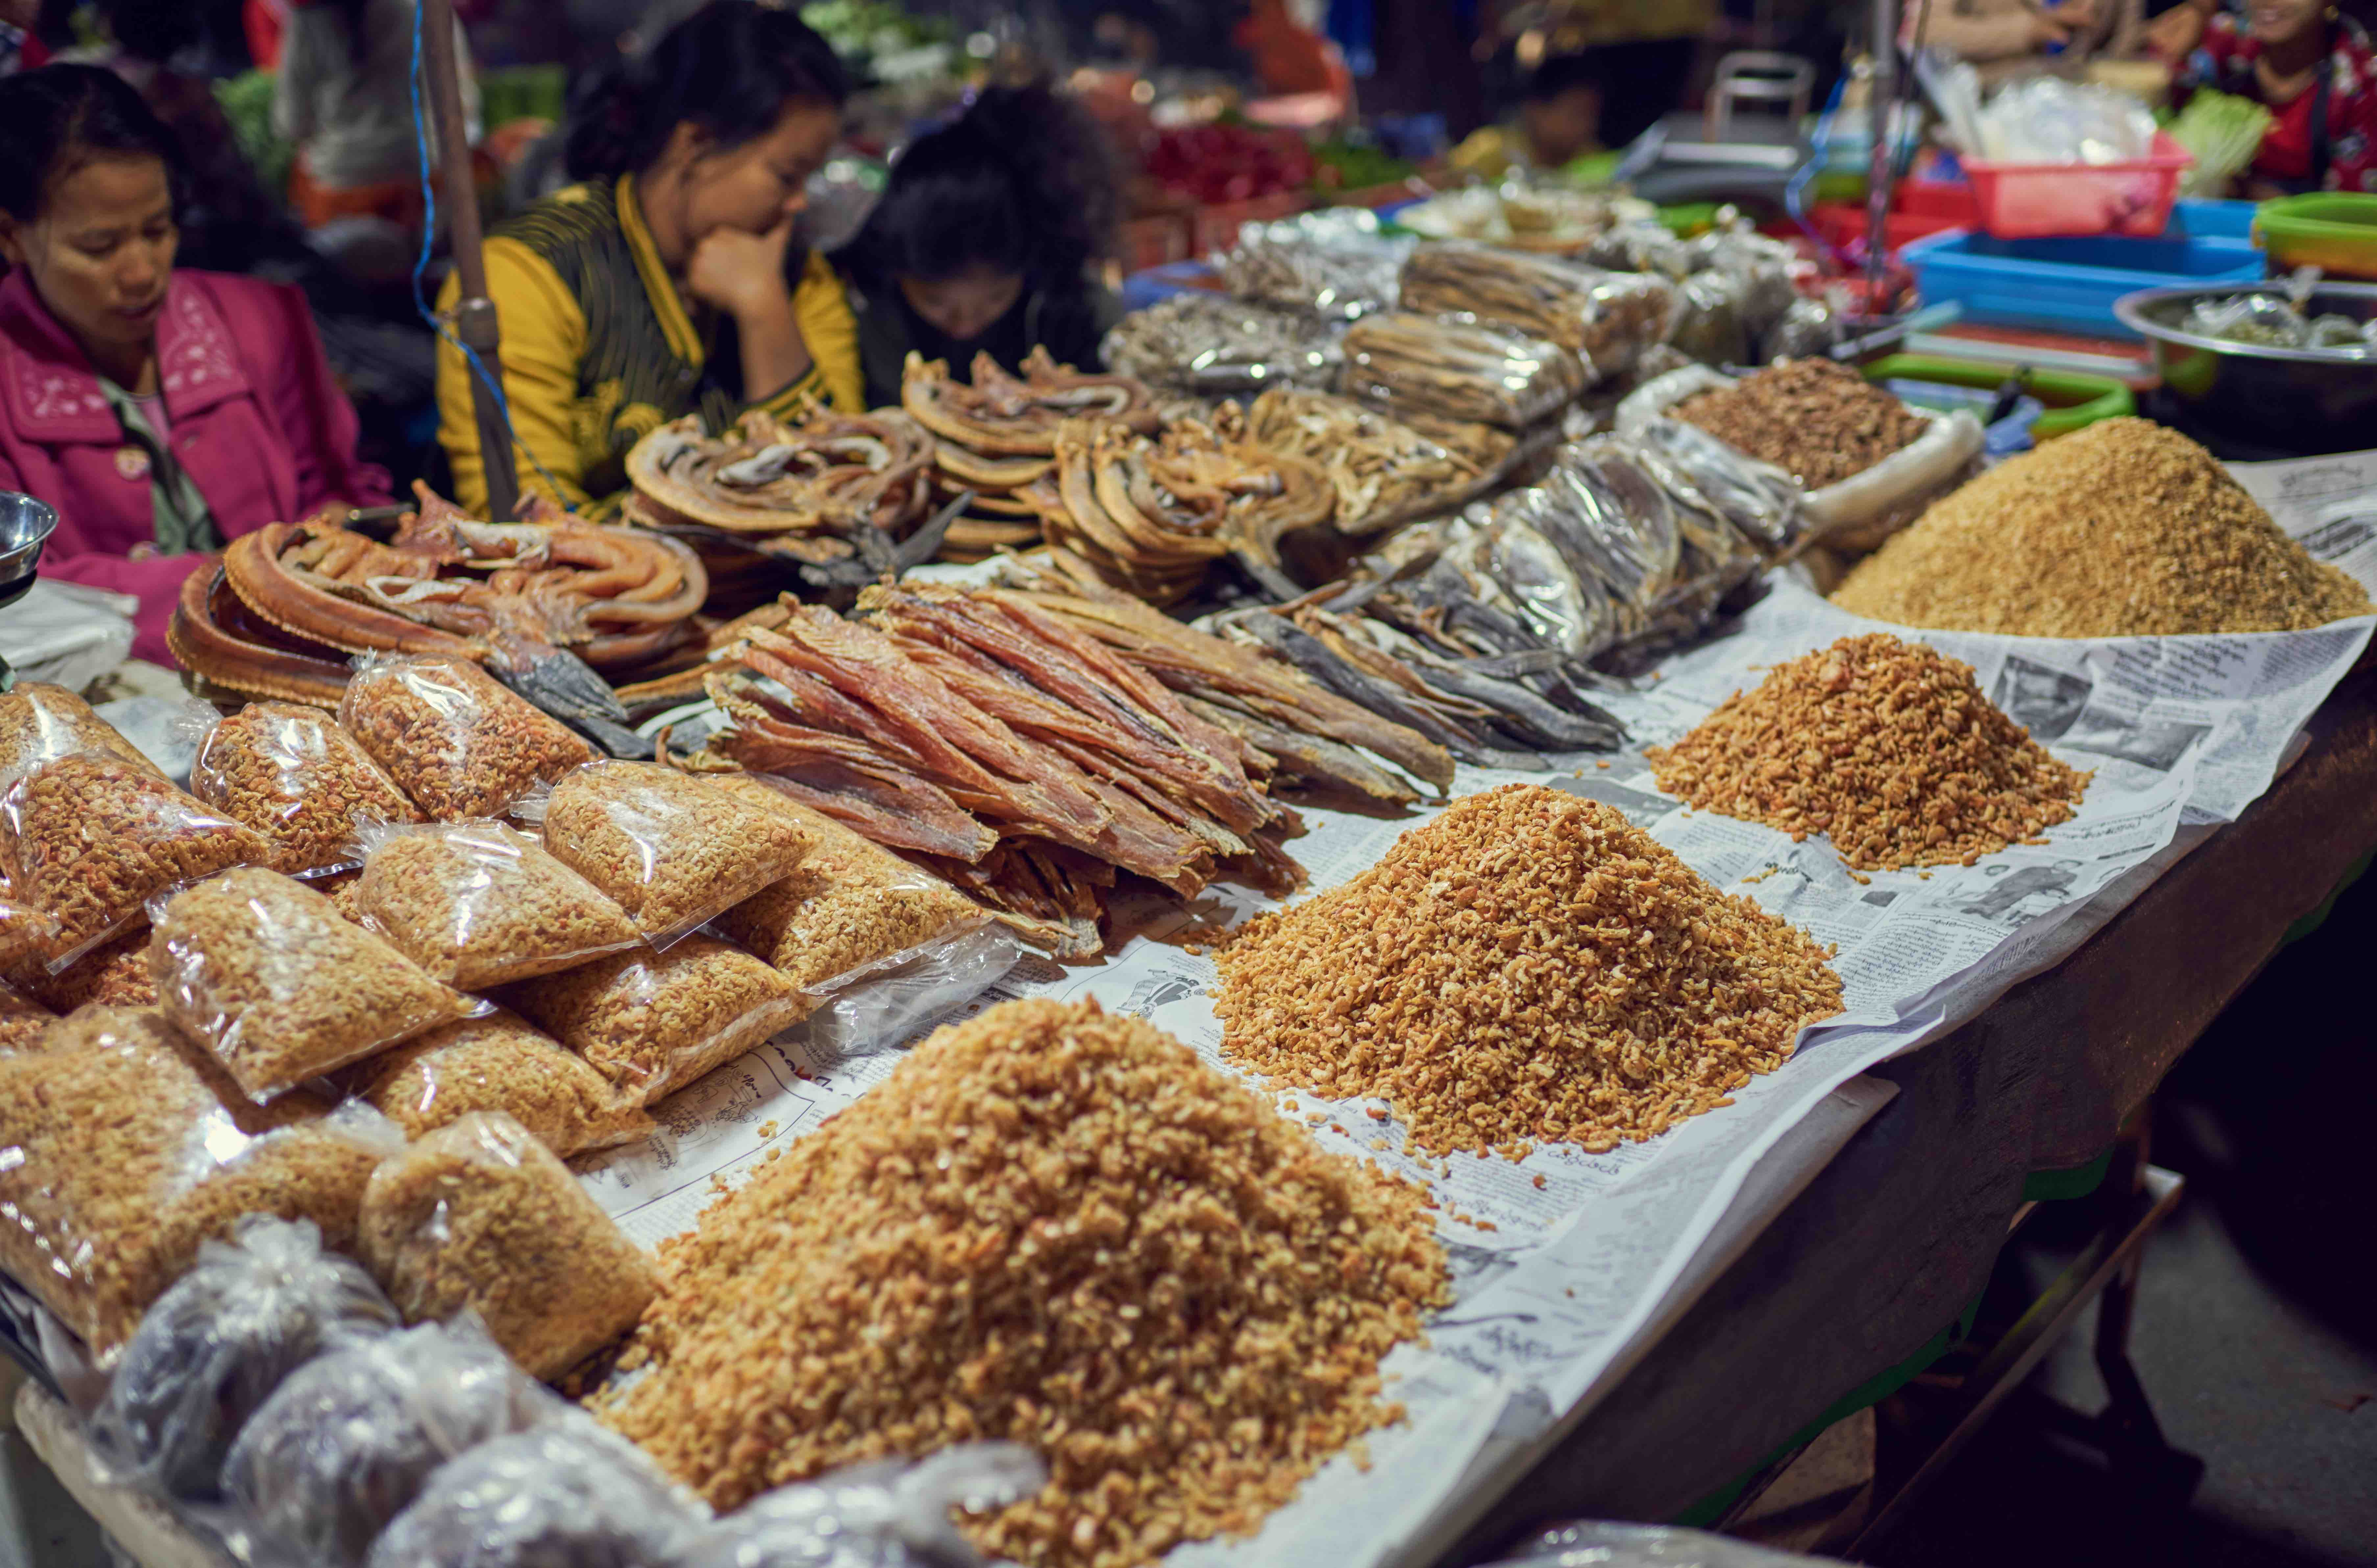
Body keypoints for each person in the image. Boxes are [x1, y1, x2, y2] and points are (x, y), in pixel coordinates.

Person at [0, 65, 390, 664]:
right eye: (98, 247)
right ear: (11, 237)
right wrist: (248, 580)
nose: (140, 271)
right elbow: (29, 589)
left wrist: (339, 531)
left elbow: (336, 489)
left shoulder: (260, 323)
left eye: (157, 231)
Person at [434, 0, 858, 518]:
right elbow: (527, 520)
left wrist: (765, 312)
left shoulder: (795, 272)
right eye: (787, 175)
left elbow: (845, 489)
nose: (798, 204)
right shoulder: (527, 274)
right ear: (695, 144)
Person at [833, 85, 1122, 410]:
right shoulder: (865, 310)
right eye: (935, 301)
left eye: (994, 299)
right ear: (896, 272)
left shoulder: (1074, 300)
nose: (965, 325)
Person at [275, 0, 479, 234]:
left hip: (342, 184)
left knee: (299, 175)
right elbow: (464, 106)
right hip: (428, 174)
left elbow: (291, 125)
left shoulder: (310, 18)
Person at [2174, 0, 2377, 193]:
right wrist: (2174, 61)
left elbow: (2351, 205)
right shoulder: (2225, 45)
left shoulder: (2361, 83)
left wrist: (2255, 196)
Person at [1904, 0, 2144, 85]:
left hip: (2073, 116)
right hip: (1980, 117)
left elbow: (2123, 49)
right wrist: (2026, 30)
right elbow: (1921, 31)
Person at [1450, 53, 1606, 181]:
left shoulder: (1592, 157)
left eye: (1592, 114)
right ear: (1536, 110)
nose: (1588, 125)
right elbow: (1446, 181)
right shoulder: (1491, 149)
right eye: (1576, 114)